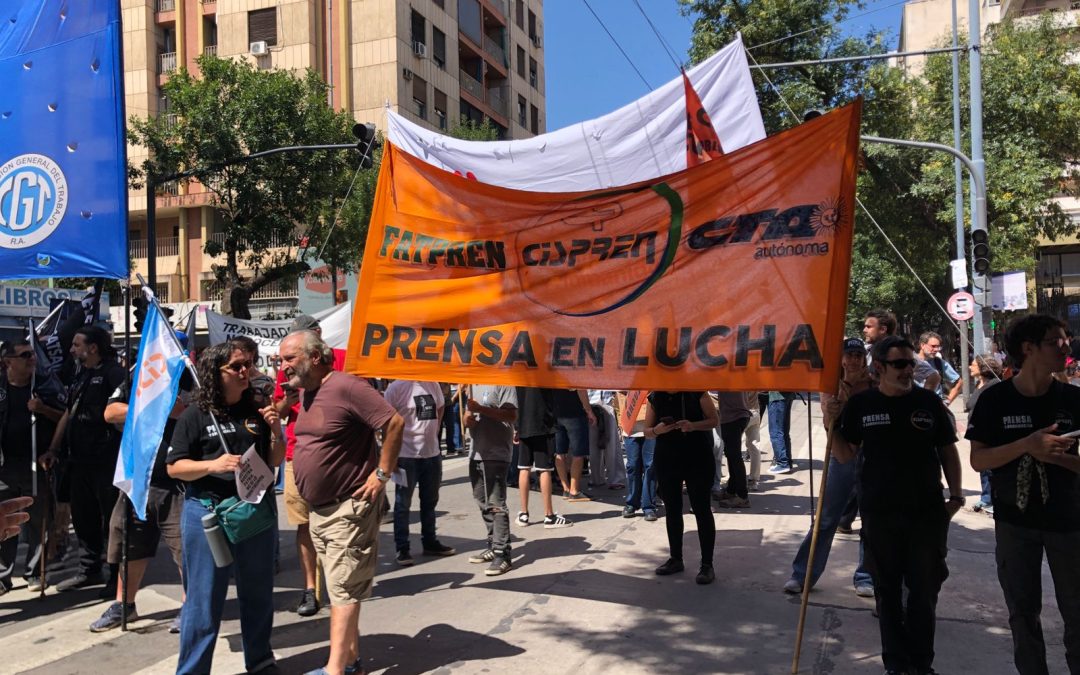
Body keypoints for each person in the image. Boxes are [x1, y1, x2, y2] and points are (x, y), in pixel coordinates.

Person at [835, 335, 963, 675]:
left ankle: (921, 665)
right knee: (887, 593)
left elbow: (947, 449)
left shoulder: (928, 402)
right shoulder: (861, 405)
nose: (908, 370)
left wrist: (956, 496)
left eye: (911, 363)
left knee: (924, 592)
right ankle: (895, 664)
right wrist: (832, 424)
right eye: (900, 364)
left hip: (926, 513)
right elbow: (846, 454)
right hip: (880, 515)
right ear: (879, 367)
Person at [278, 331, 405, 675]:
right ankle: (349, 662)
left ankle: (334, 670)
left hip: (348, 508)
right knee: (342, 587)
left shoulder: (347, 386)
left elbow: (394, 422)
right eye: (281, 359)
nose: (282, 365)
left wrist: (381, 473)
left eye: (289, 358)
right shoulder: (306, 393)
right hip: (320, 512)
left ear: (314, 357)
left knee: (343, 591)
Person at [967, 314, 1080, 675]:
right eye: (1056, 341)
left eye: (1066, 339)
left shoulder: (1073, 399)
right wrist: (1027, 445)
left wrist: (1057, 457)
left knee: (1077, 613)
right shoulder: (994, 399)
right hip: (1015, 523)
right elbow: (979, 459)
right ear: (1029, 349)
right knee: (1022, 613)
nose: (1065, 347)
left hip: (1069, 522)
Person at [166, 342, 285, 675]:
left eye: (248, 363)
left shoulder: (256, 409)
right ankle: (192, 670)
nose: (245, 371)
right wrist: (212, 465)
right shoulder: (194, 415)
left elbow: (274, 460)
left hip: (253, 511)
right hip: (209, 513)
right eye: (236, 366)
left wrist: (276, 431)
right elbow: (174, 467)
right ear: (215, 373)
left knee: (258, 592)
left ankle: (260, 661)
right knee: (204, 600)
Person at [91, 356, 191, 633]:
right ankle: (124, 604)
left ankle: (190, 605)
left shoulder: (189, 378)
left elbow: (184, 411)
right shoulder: (137, 379)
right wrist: (153, 408)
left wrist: (158, 408)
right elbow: (110, 412)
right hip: (138, 479)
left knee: (185, 548)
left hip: (176, 482)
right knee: (129, 544)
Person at [783, 337, 874, 598]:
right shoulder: (831, 384)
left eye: (858, 355)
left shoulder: (874, 384)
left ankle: (866, 576)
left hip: (871, 457)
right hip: (841, 454)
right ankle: (802, 575)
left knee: (870, 520)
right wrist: (845, 389)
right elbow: (828, 415)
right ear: (841, 359)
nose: (854, 360)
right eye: (849, 355)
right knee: (825, 519)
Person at [41, 325, 126, 593]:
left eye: (77, 345)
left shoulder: (114, 373)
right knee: (83, 518)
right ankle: (89, 570)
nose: (71, 350)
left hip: (106, 462)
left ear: (93, 348)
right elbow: (69, 413)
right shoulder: (80, 374)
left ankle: (117, 577)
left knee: (112, 521)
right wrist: (53, 448)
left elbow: (127, 409)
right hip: (78, 461)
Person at [272, 318, 345, 618]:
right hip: (296, 456)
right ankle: (310, 589)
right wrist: (285, 403)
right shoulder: (286, 370)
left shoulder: (343, 360)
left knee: (337, 523)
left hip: (337, 456)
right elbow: (276, 412)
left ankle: (340, 586)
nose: (288, 363)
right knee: (304, 525)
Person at [0, 340, 63, 594]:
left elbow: (65, 417)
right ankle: (2, 575)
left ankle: (36, 572)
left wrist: (43, 409)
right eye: (25, 355)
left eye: (33, 354)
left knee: (38, 520)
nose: (32, 359)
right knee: (5, 520)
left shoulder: (44, 388)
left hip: (36, 465)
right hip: (4, 467)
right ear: (8, 362)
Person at [645, 390, 719, 585]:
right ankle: (675, 558)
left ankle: (707, 565)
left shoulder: (697, 392)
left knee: (702, 509)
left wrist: (693, 425)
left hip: (698, 457)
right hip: (667, 458)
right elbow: (646, 431)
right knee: (672, 509)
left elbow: (714, 420)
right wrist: (657, 430)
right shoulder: (655, 396)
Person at [384, 378, 454, 565]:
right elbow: (386, 420)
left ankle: (430, 542)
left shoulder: (433, 384)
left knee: (430, 501)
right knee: (402, 505)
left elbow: (440, 406)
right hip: (405, 455)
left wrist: (435, 430)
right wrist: (390, 454)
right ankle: (402, 548)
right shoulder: (396, 387)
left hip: (431, 454)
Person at [464, 384, 518, 576]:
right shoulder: (472, 384)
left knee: (496, 504)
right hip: (476, 452)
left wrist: (481, 409)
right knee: (482, 502)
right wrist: (467, 419)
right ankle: (493, 545)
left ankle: (503, 554)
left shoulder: (504, 382)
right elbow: (467, 416)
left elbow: (511, 416)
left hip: (497, 452)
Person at [515, 387, 572, 529]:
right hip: (543, 423)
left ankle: (523, 514)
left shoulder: (519, 375)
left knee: (524, 468)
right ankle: (549, 515)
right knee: (544, 469)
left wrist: (515, 427)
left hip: (523, 422)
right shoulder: (545, 374)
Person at [966, 354, 1002, 515]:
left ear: (983, 368)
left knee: (989, 468)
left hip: (989, 432)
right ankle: (986, 497)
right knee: (982, 467)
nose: (970, 367)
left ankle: (991, 499)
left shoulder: (994, 386)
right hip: (977, 432)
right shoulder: (979, 385)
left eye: (973, 364)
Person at [617, 391, 657, 521]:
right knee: (633, 466)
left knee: (650, 466)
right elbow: (618, 398)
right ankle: (632, 503)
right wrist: (620, 421)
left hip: (652, 427)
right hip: (631, 428)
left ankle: (649, 506)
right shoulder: (626, 380)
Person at [552, 389, 595, 501]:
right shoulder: (574, 375)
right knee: (578, 453)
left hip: (556, 412)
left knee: (560, 452)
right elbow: (581, 389)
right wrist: (589, 411)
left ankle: (566, 489)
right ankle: (574, 490)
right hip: (575, 412)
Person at [714, 392, 752, 508]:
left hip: (733, 417)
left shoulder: (728, 380)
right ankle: (732, 490)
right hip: (739, 415)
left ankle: (742, 496)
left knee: (734, 457)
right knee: (732, 455)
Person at [586, 390, 625, 490]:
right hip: (592, 404)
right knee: (600, 445)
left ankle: (607, 479)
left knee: (607, 444)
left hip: (599, 402)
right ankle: (605, 478)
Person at [918, 332, 962, 405]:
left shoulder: (939, 363)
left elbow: (959, 382)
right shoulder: (911, 362)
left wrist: (947, 402)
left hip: (935, 406)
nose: (936, 349)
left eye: (938, 346)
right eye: (933, 346)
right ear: (922, 345)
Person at [765, 391, 796, 474]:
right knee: (784, 431)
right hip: (788, 393)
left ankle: (782, 463)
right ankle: (787, 462)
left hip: (777, 395)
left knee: (776, 431)